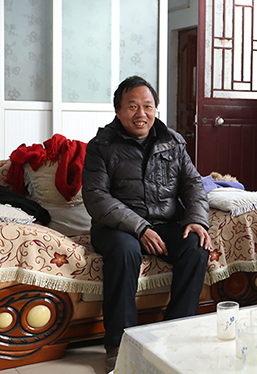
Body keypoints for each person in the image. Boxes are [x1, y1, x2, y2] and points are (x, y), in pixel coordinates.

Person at [82, 76, 212, 371]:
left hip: (163, 223)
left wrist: (196, 220)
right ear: (118, 111)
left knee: (196, 245)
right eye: (132, 107)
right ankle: (119, 344)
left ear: (155, 109)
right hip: (116, 227)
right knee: (126, 250)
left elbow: (193, 185)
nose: (141, 114)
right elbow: (97, 197)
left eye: (148, 106)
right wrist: (140, 228)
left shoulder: (173, 142)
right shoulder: (101, 146)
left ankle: (176, 333)